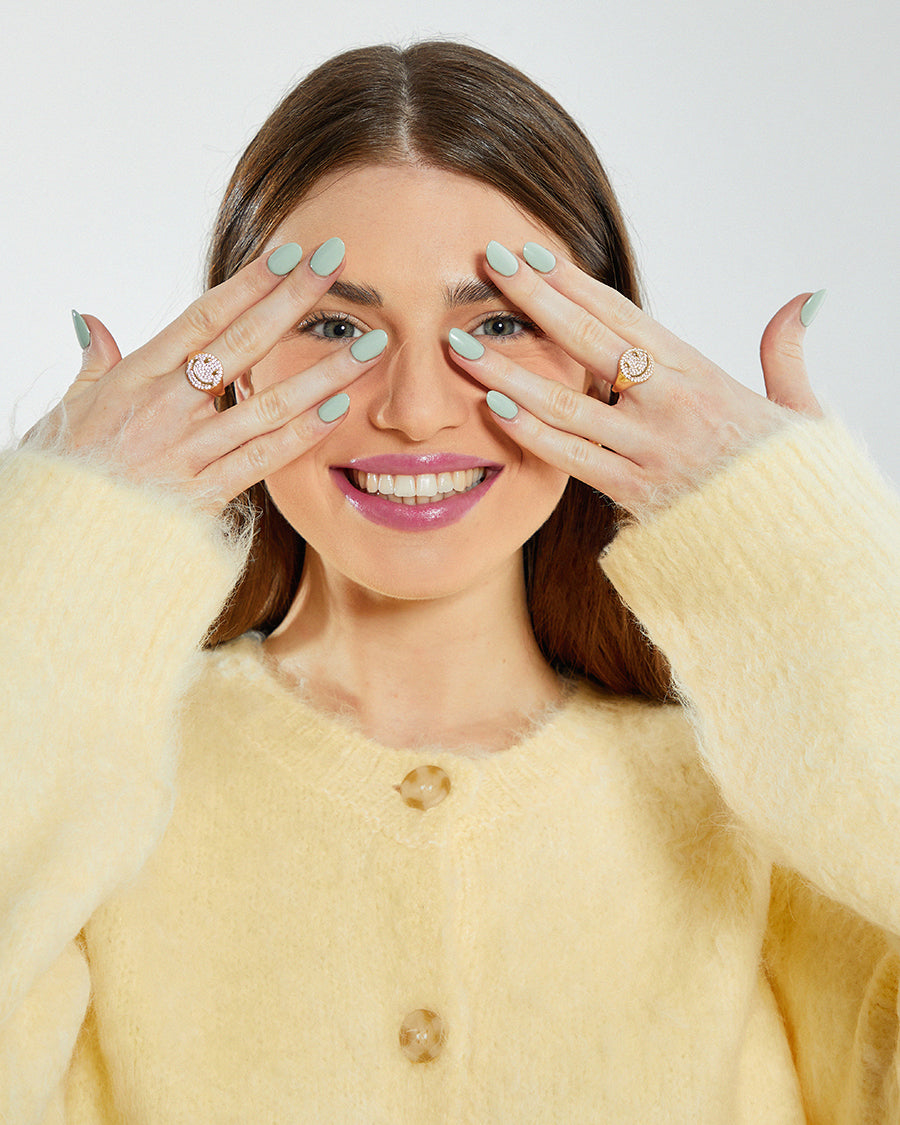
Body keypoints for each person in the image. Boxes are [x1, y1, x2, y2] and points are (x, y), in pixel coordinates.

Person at [1, 39, 898, 1124]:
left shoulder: (778, 811)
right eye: (335, 325)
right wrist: (51, 560)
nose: (415, 408)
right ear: (231, 359)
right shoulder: (80, 792)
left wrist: (818, 572)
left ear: (601, 356)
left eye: (498, 324)